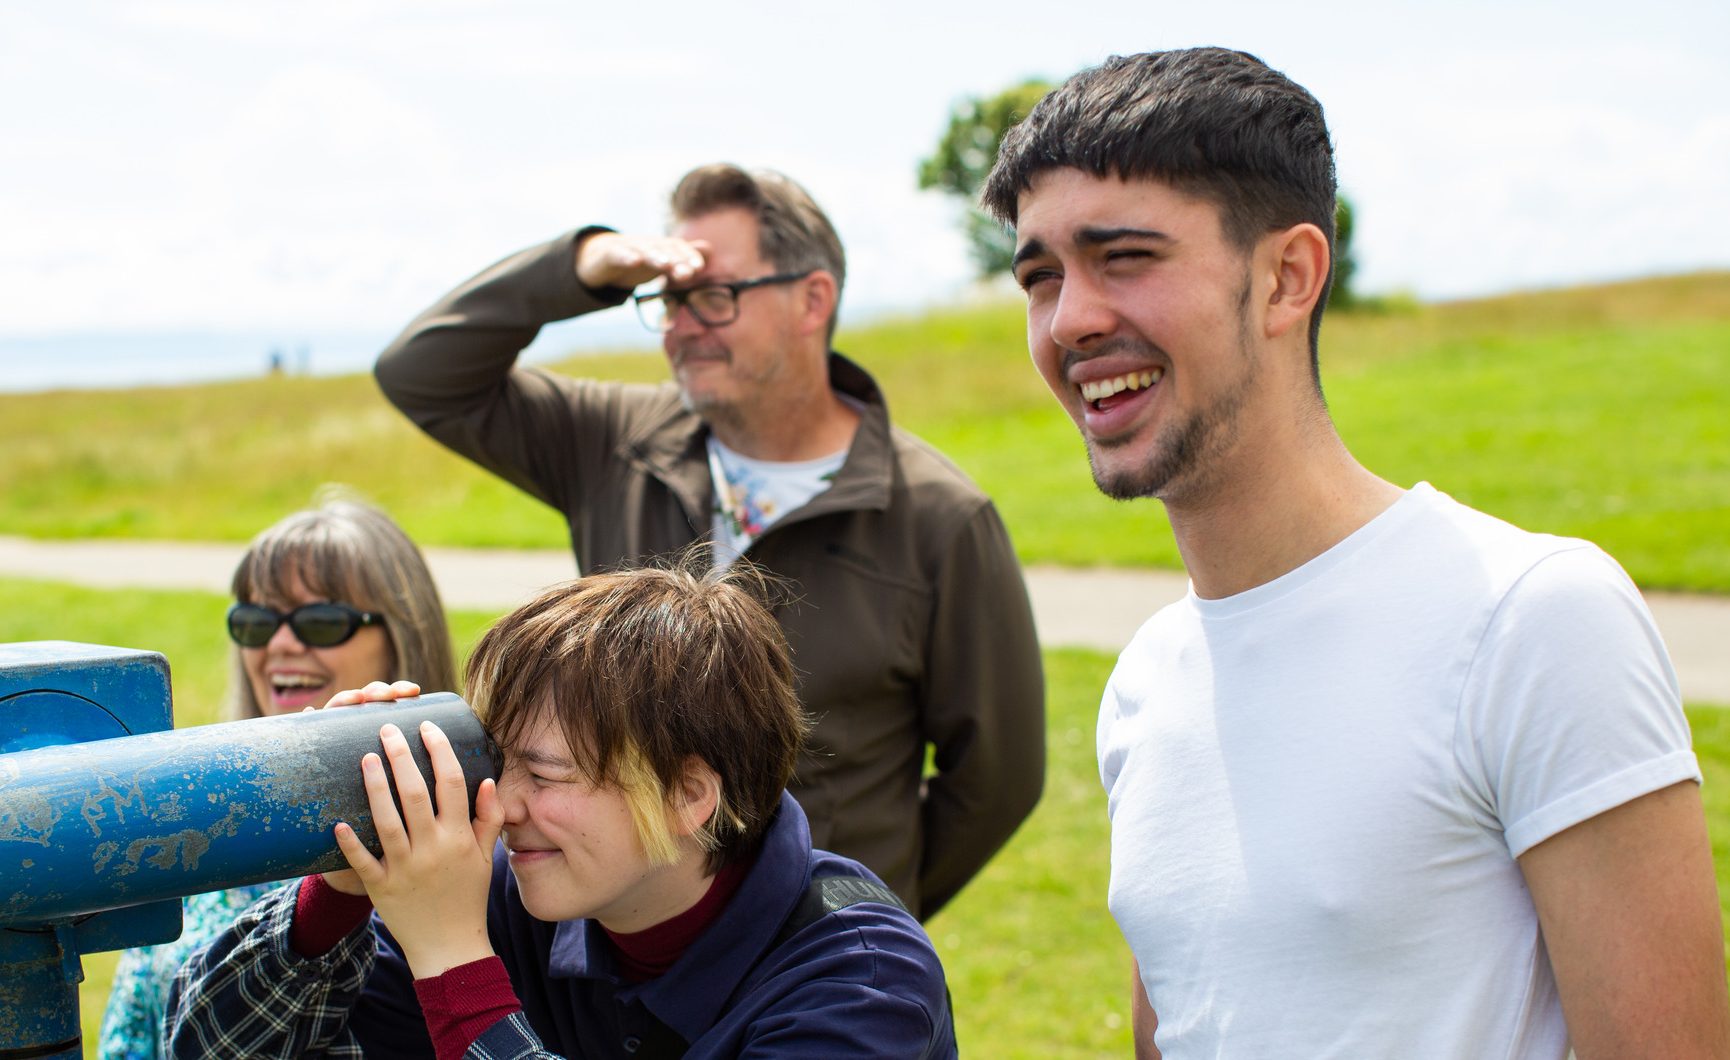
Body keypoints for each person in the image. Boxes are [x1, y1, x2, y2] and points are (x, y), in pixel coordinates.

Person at [981, 48, 1730, 1059]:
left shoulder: (1532, 617)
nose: (1070, 319)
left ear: (1286, 276)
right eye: (1040, 277)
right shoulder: (1146, 680)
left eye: (1124, 258)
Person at [372, 163, 1043, 919]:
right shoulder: (613, 441)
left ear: (811, 300)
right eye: (665, 298)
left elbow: (997, 779)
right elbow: (421, 374)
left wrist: (867, 901)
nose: (682, 327)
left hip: (818, 971)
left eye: (712, 297)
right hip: (620, 954)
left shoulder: (939, 516)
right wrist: (584, 265)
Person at [164, 563, 957, 1058]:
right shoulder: (512, 898)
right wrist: (334, 895)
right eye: (496, 761)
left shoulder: (861, 981)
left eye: (545, 774)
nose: (503, 807)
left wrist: (456, 969)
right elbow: (206, 1046)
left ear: (689, 795)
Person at [96, 497, 457, 1060]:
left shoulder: (475, 835)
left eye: (320, 621)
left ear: (402, 633)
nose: (280, 644)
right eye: (256, 622)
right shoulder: (189, 828)